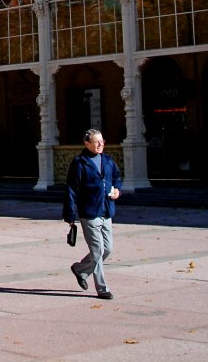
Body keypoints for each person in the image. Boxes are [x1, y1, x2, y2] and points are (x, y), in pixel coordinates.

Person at [63, 128, 122, 300]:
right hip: (89, 213)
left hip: (106, 211)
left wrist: (118, 190)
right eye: (96, 142)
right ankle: (102, 288)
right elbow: (72, 190)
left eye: (102, 141)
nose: (100, 144)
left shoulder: (108, 160)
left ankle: (80, 269)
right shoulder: (79, 163)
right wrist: (70, 215)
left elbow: (117, 178)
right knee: (97, 251)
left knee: (107, 249)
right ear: (87, 143)